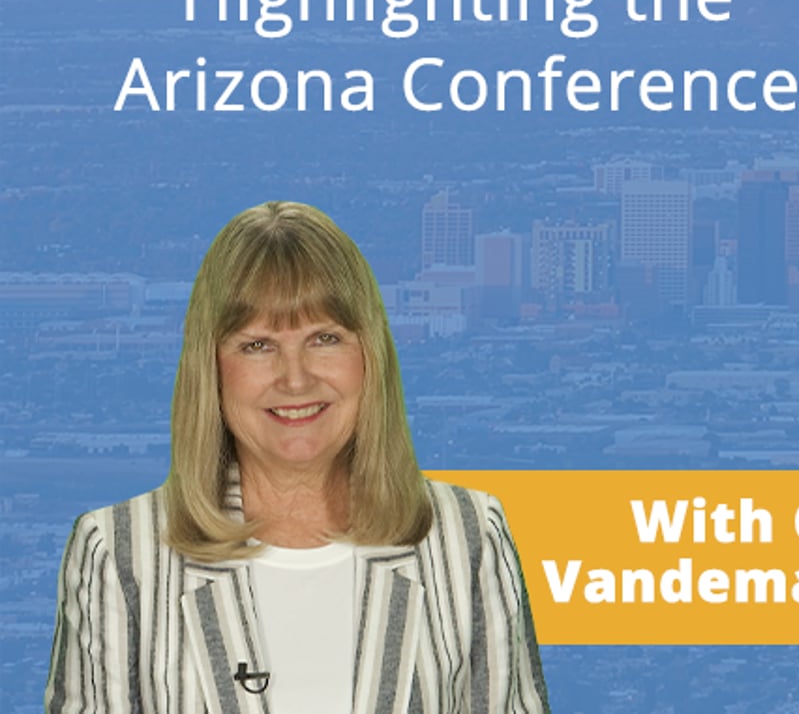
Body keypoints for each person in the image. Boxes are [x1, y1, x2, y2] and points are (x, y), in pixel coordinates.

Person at [47, 202, 548, 713]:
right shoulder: (120, 553)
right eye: (258, 345)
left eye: (324, 339)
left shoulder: (468, 537)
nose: (295, 378)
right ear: (211, 368)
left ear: (369, 356)